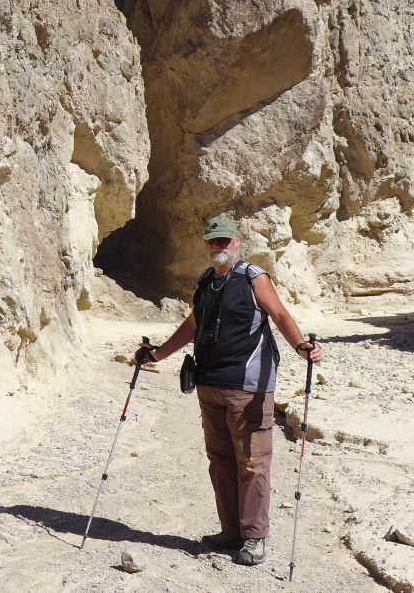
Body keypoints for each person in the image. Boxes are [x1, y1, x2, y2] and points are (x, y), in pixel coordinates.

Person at [134, 214, 323, 566]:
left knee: (252, 462)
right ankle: (231, 532)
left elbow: (279, 314)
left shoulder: (254, 277)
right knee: (220, 460)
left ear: (237, 242)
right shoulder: (206, 280)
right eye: (213, 241)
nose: (218, 246)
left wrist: (301, 346)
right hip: (210, 384)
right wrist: (157, 354)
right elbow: (194, 323)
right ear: (206, 244)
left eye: (225, 240)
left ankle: (254, 537)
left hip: (248, 386)